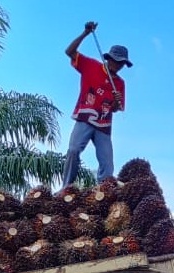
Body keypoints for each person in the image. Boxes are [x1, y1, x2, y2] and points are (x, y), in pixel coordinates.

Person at [61, 21, 130, 186]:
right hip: (85, 118)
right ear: (109, 58)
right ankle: (66, 188)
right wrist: (85, 33)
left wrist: (115, 102)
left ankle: (104, 194)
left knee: (107, 166)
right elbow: (69, 52)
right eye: (117, 61)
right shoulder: (91, 66)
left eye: (122, 63)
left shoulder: (120, 83)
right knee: (73, 150)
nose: (119, 66)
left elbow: (116, 109)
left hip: (104, 126)